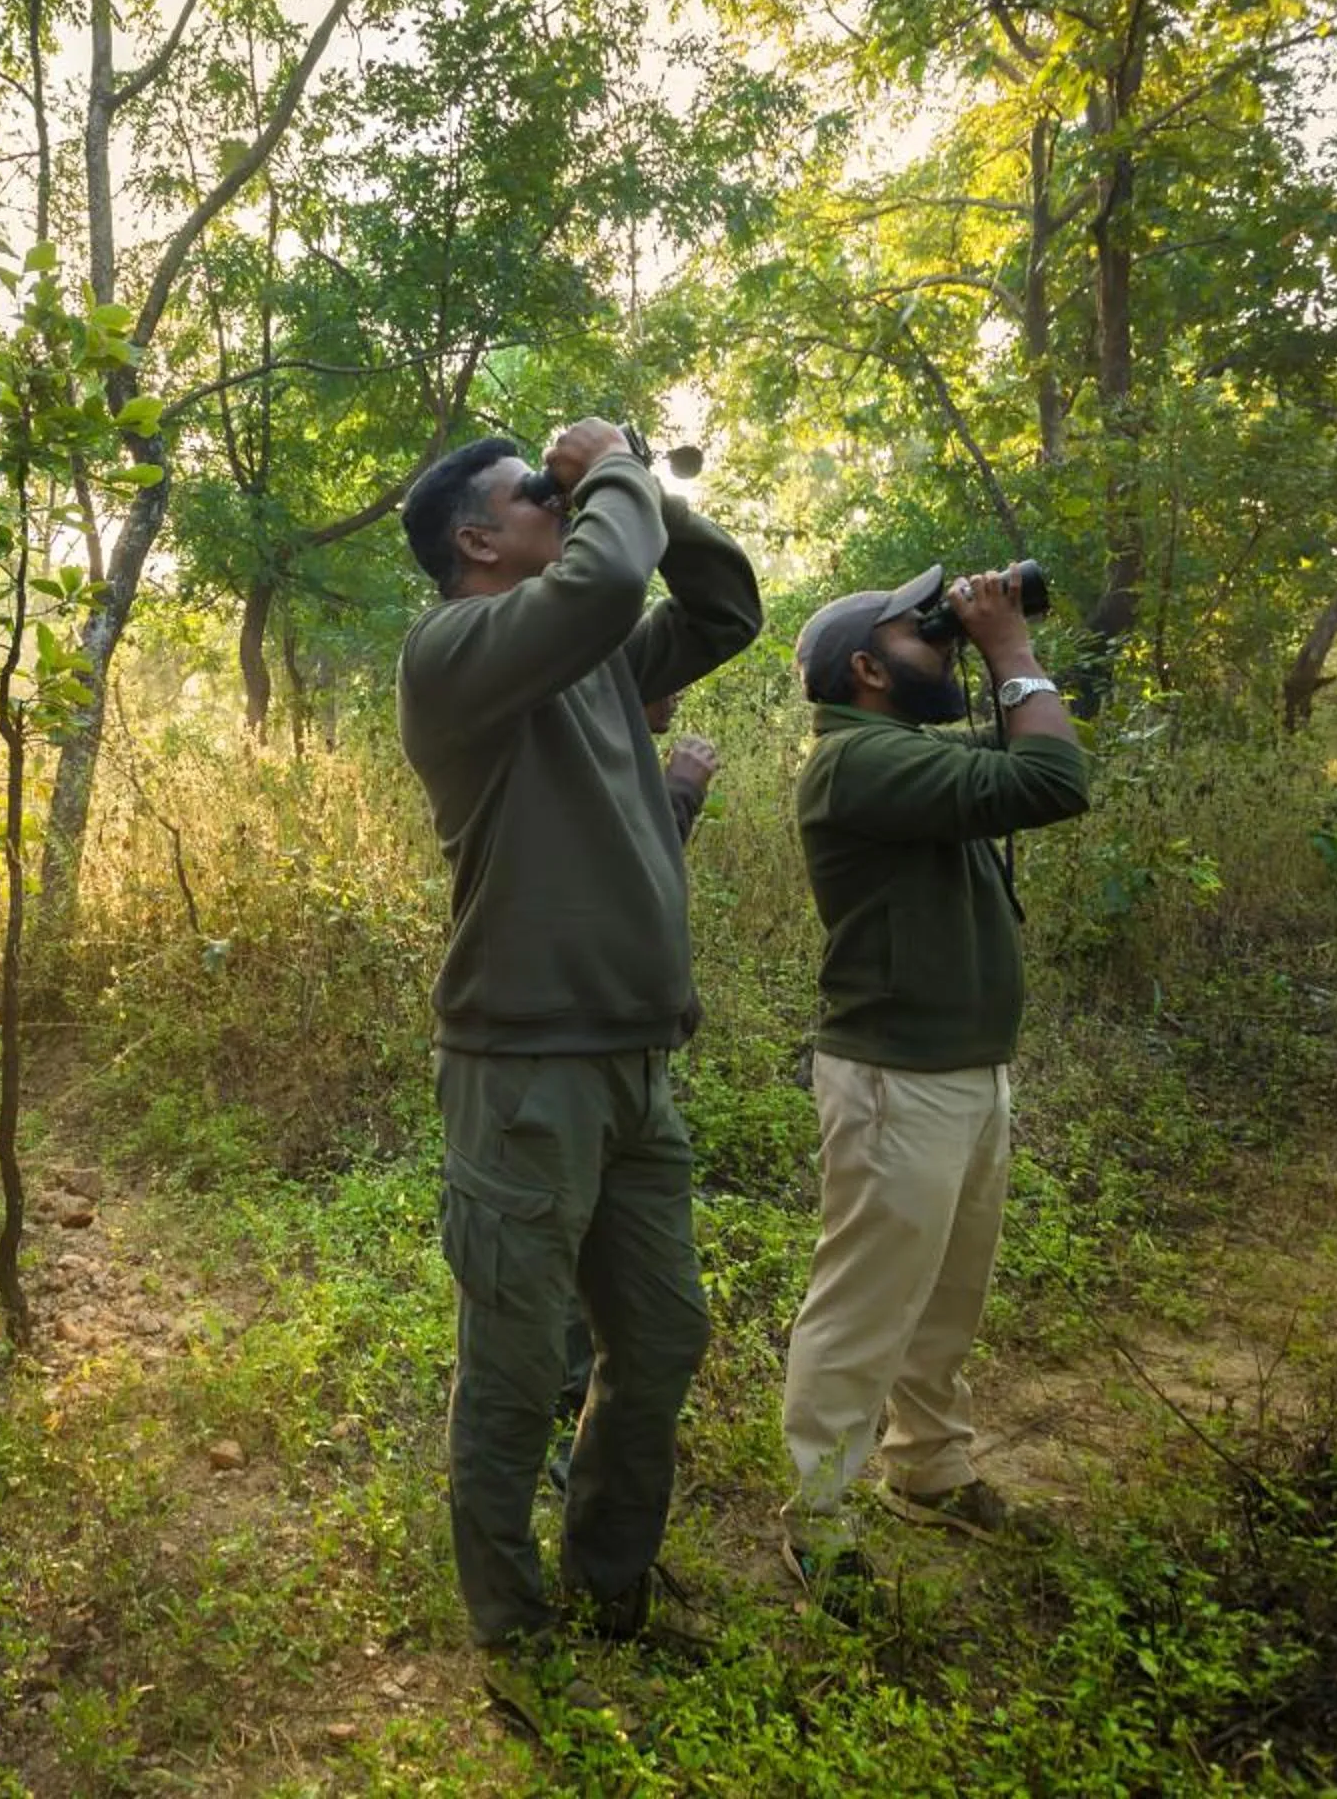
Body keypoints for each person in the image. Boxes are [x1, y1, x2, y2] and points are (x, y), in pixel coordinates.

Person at [394, 419, 762, 1717]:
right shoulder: (449, 655)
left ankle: (614, 1591)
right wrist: (603, 460)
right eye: (531, 495)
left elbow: (725, 605)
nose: (560, 505)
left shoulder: (597, 662)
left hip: (637, 1069)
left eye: (562, 492)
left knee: (658, 1339)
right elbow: (609, 576)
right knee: (509, 1363)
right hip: (523, 1075)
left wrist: (641, 483)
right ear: (477, 541)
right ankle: (510, 1630)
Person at [778, 563, 1089, 1620]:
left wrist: (998, 646)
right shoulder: (854, 763)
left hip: (960, 1069)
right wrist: (1007, 645)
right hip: (894, 1079)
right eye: (925, 633)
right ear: (867, 668)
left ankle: (930, 1469)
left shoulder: (901, 752)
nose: (946, 643)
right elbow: (1052, 779)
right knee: (866, 1303)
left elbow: (1027, 749)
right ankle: (820, 1517)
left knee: (948, 1295)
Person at [550, 699, 717, 1472]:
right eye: (654, 677)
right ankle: (570, 1398)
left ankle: (582, 1396)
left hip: (625, 1047)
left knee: (607, 1249)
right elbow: (611, 868)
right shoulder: (568, 745)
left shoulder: (606, 751)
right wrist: (676, 793)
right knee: (571, 1236)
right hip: (570, 1050)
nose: (669, 696)